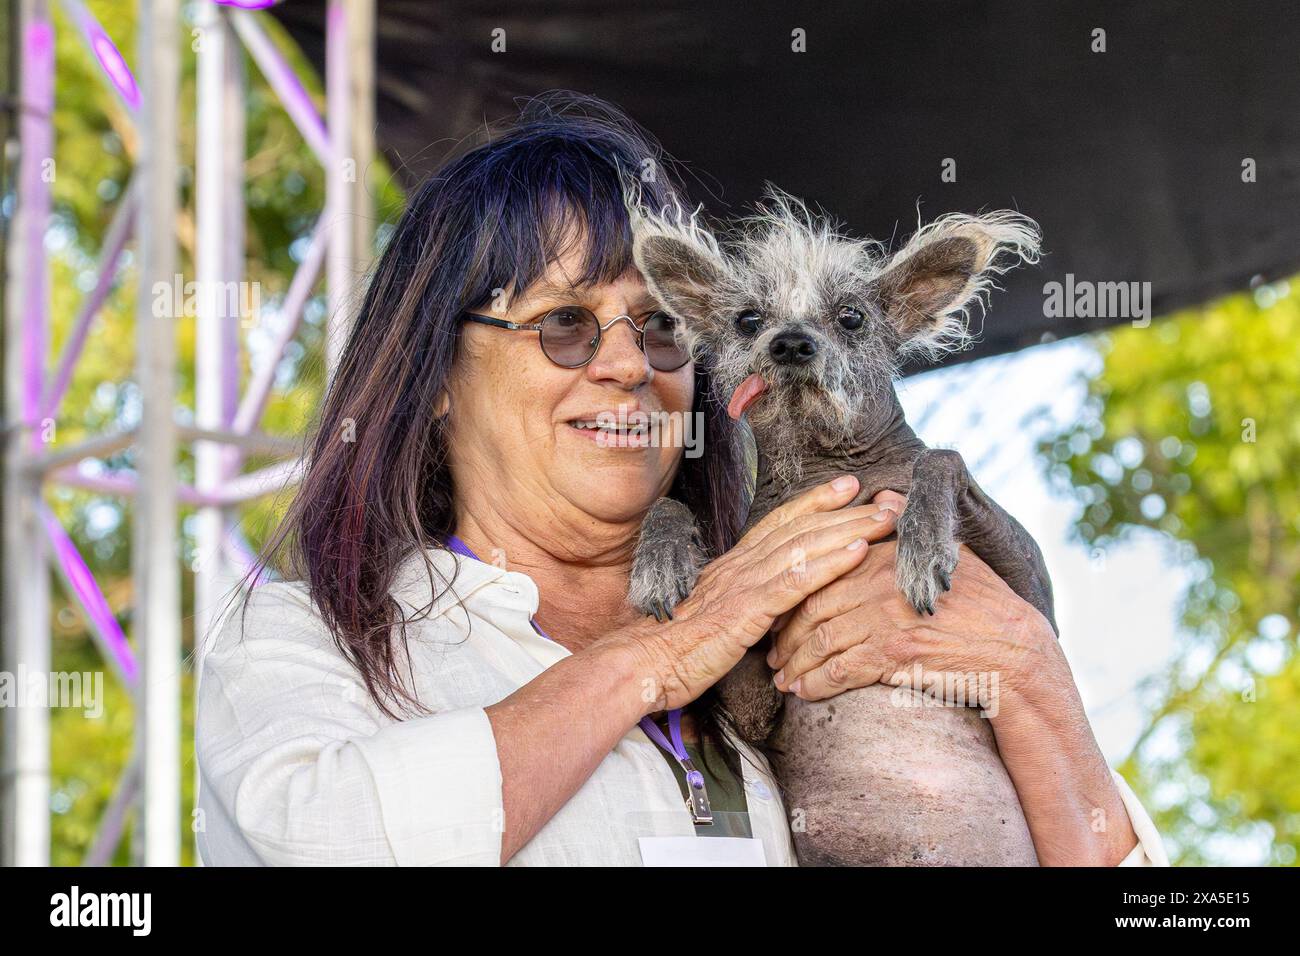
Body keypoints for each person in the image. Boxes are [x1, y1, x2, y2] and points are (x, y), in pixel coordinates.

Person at [194, 93, 1167, 867]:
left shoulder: (786, 638)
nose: (627, 364)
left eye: (660, 325)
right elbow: (327, 840)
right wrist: (655, 655)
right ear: (436, 372)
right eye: (563, 321)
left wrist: (1029, 673)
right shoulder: (311, 639)